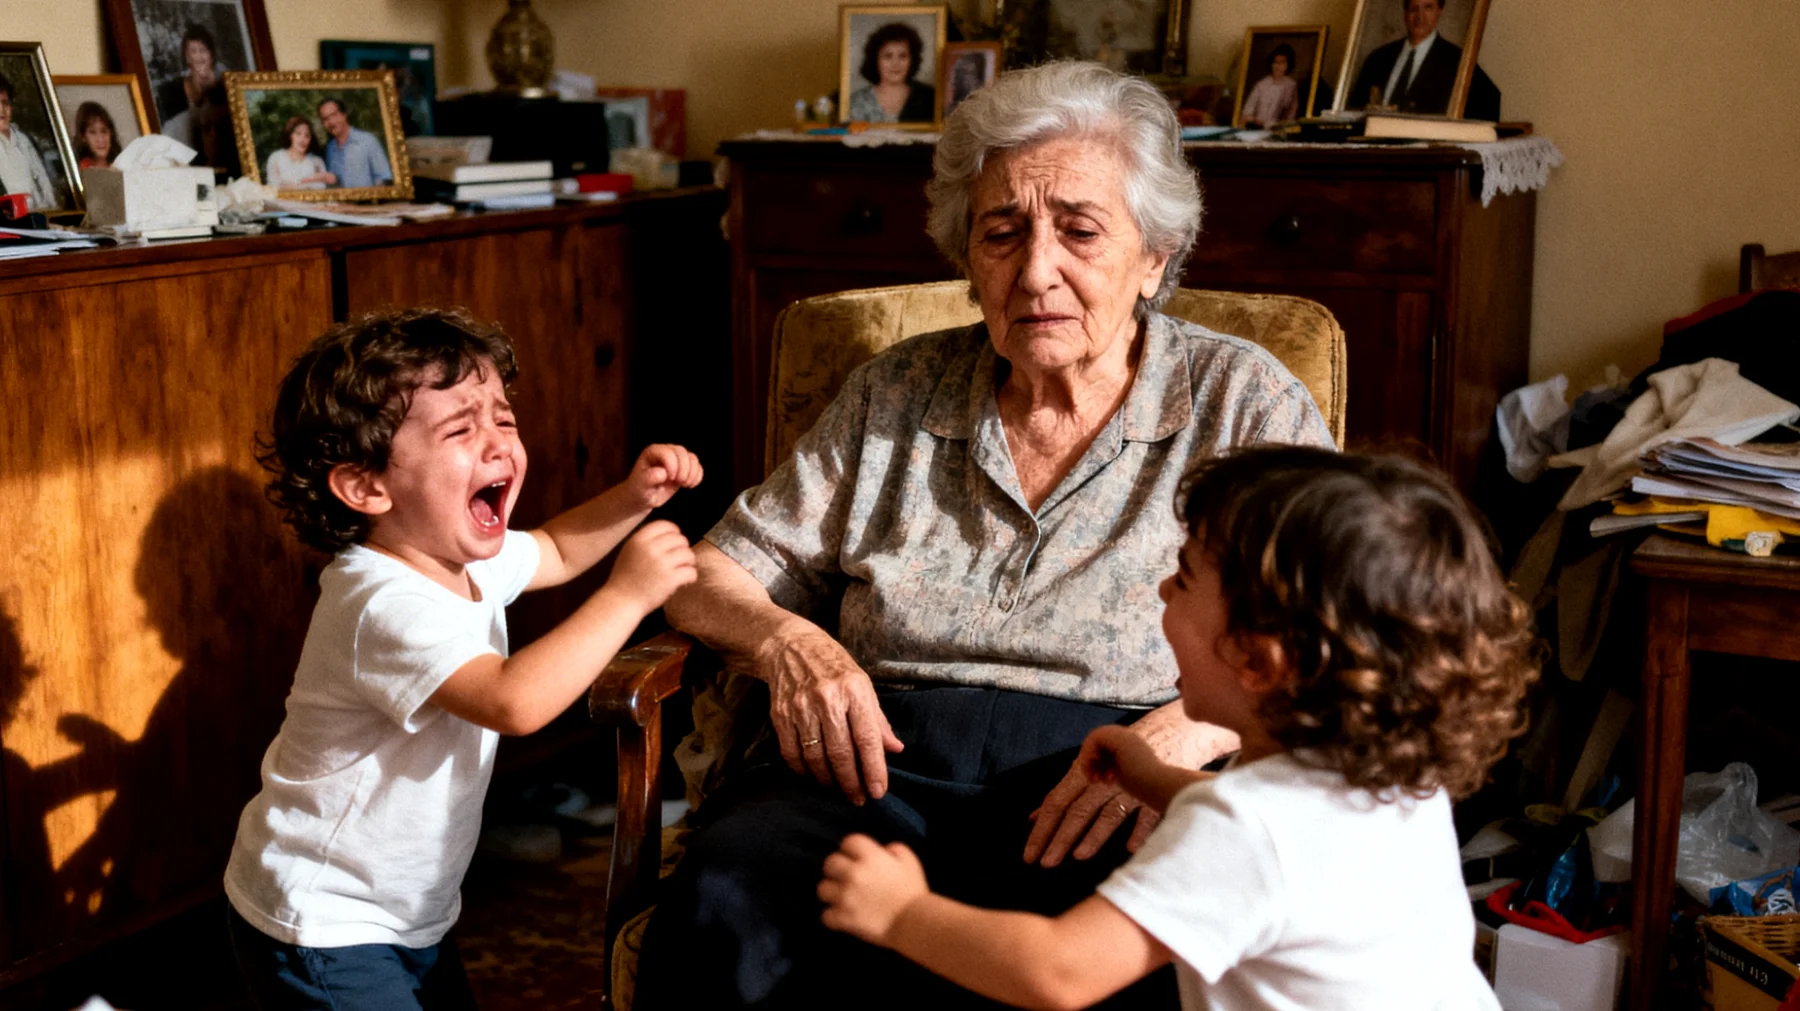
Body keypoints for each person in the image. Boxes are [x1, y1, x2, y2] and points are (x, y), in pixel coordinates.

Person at [635, 61, 1333, 1009]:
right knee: (729, 892)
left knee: (1119, 946)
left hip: (1110, 776)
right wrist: (788, 640)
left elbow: (1333, 630)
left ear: (1156, 256)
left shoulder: (1240, 401)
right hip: (868, 765)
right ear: (968, 257)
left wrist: (1189, 733)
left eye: (1080, 230)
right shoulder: (896, 391)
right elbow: (700, 572)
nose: (1036, 269)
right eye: (1002, 232)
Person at [819, 445, 1538, 1010]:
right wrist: (1155, 778)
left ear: (1259, 658)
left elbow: (1058, 969)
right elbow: (1298, 849)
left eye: (1186, 577)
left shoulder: (1243, 828)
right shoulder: (1393, 774)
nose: (1164, 588)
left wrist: (902, 912)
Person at [223, 307, 704, 1009]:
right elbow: (514, 701)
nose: (498, 444)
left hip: (407, 912)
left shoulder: (455, 553)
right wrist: (628, 597)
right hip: (325, 919)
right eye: (460, 429)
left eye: (503, 419)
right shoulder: (380, 599)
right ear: (366, 486)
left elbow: (558, 549)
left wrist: (633, 499)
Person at [1347, 0, 1500, 120]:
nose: (1420, 17)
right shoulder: (1377, 59)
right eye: (1414, 8)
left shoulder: (1458, 62)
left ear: (1440, 11)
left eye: (1428, 7)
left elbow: (1489, 102)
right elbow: (1353, 111)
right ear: (1405, 13)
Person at [157, 24, 238, 172]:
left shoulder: (227, 83)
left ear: (211, 54)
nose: (199, 57)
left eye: (203, 51)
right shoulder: (173, 90)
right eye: (193, 52)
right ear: (187, 57)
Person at [847, 22, 936, 123]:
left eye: (903, 56)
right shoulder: (857, 101)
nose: (895, 64)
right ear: (875, 60)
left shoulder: (928, 98)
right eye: (888, 56)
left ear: (912, 60)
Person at [0, 74, 59, 211]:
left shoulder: (24, 139)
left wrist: (52, 208)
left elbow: (44, 180)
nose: (1, 110)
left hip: (39, 213)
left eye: (5, 103)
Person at [318, 96, 393, 188]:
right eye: (325, 119)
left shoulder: (368, 141)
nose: (331, 122)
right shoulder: (330, 148)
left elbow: (384, 178)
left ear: (344, 115)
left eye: (334, 115)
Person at [263, 115, 335, 189]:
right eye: (298, 134)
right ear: (290, 135)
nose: (302, 139)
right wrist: (309, 179)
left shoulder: (317, 162)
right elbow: (273, 189)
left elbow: (323, 190)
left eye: (307, 135)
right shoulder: (276, 158)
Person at [1238, 44, 1300, 128]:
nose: (1278, 66)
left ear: (1288, 64)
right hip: (1256, 126)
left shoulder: (1291, 85)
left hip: (1277, 129)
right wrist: (1253, 120)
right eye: (1275, 62)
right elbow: (1247, 111)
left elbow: (1291, 112)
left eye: (1282, 62)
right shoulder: (1261, 84)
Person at [73, 101, 123, 169]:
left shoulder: (122, 165)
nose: (100, 139)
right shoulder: (80, 171)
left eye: (104, 131)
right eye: (92, 132)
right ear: (83, 137)